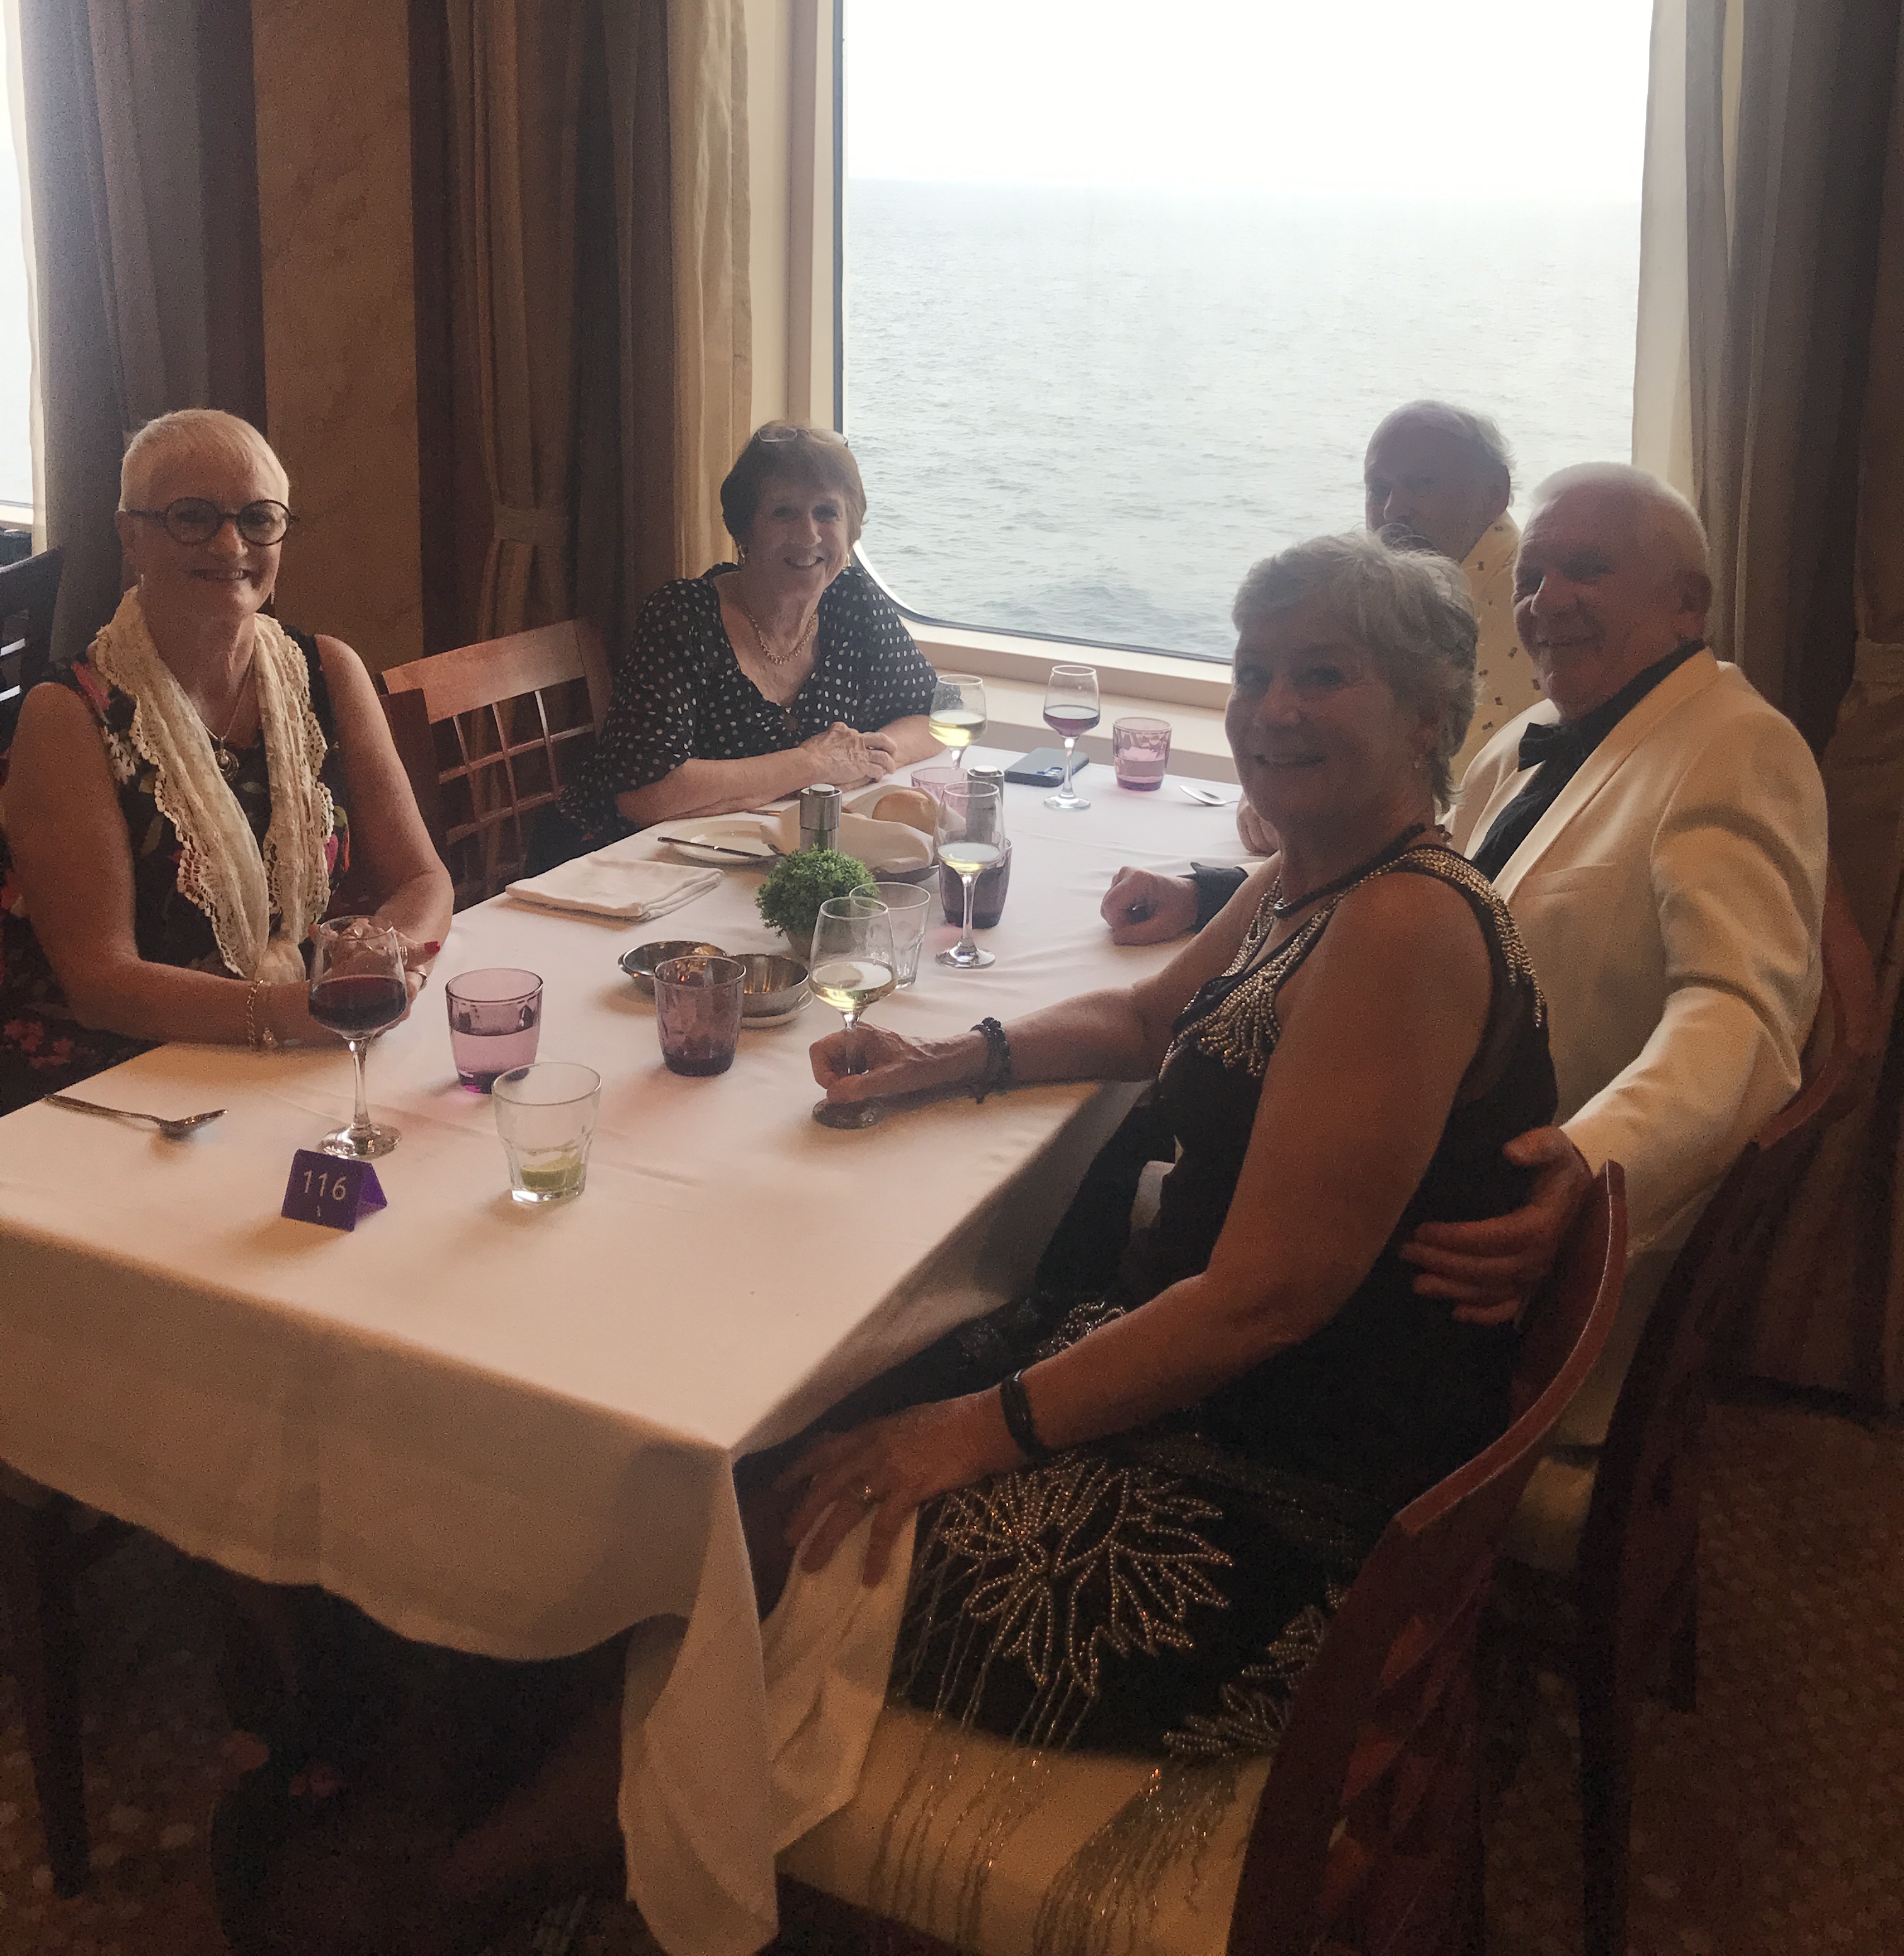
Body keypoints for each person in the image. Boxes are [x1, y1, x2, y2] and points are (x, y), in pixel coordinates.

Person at [214, 535, 1559, 1956]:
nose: (1271, 708)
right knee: (788, 1418)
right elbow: (1143, 1019)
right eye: (1254, 673)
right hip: (1219, 1400)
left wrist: (975, 1431)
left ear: (1426, 712)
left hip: (1280, 1509)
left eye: (1321, 678)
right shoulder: (1318, 873)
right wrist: (947, 1061)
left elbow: (1263, 1302)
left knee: (786, 1520)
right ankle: (546, 1765)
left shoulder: (1400, 927)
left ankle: (483, 1885)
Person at [1106, 464, 1828, 1357]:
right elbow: (1412, 862)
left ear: (1689, 604)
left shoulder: (1738, 744)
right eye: (1531, 576)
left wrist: (1594, 1157)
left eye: (1588, 570)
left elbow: (1738, 1015)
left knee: (1116, 1165)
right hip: (1397, 1162)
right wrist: (1208, 892)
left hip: (1500, 1256)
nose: (1546, 601)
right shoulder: (1527, 739)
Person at [0, 411, 452, 1116]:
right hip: (114, 1088)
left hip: (287, 1053)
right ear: (130, 534)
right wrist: (288, 1014)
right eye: (192, 517)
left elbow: (423, 878)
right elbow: (99, 984)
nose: (231, 544)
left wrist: (384, 956)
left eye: (259, 519)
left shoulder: (328, 670)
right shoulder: (68, 714)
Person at [548, 422, 940, 848]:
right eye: (783, 513)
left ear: (852, 529)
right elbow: (646, 794)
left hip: (760, 849)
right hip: (620, 857)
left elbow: (934, 715)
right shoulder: (682, 616)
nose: (808, 534)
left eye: (827, 513)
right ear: (744, 531)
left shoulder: (854, 602)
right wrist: (812, 764)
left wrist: (869, 756)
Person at [1230, 398, 1535, 853]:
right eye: (1379, 488)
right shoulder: (1389, 595)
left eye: (1422, 484)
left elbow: (1440, 812)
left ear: (1495, 492)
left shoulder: (1529, 609)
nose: (1394, 510)